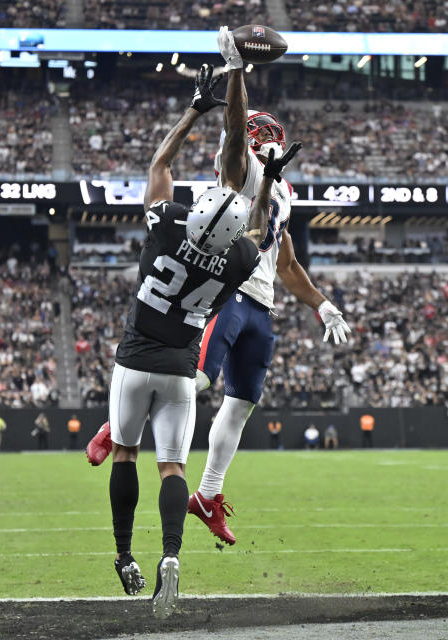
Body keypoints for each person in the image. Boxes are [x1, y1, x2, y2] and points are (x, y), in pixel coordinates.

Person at [88, 30, 348, 549]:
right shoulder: (241, 169)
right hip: (228, 297)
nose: (270, 138)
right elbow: (233, 132)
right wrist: (236, 75)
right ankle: (116, 425)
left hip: (264, 306)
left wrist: (322, 304)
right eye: (263, 132)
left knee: (243, 402)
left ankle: (207, 495)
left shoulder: (282, 192)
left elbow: (286, 259)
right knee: (194, 381)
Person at [103, 64, 299, 619]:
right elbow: (259, 234)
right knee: (173, 469)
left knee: (125, 451)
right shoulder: (237, 261)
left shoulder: (166, 225)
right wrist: (270, 184)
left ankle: (124, 554)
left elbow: (159, 163)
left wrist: (195, 109)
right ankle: (171, 557)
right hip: (179, 371)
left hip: (135, 357)